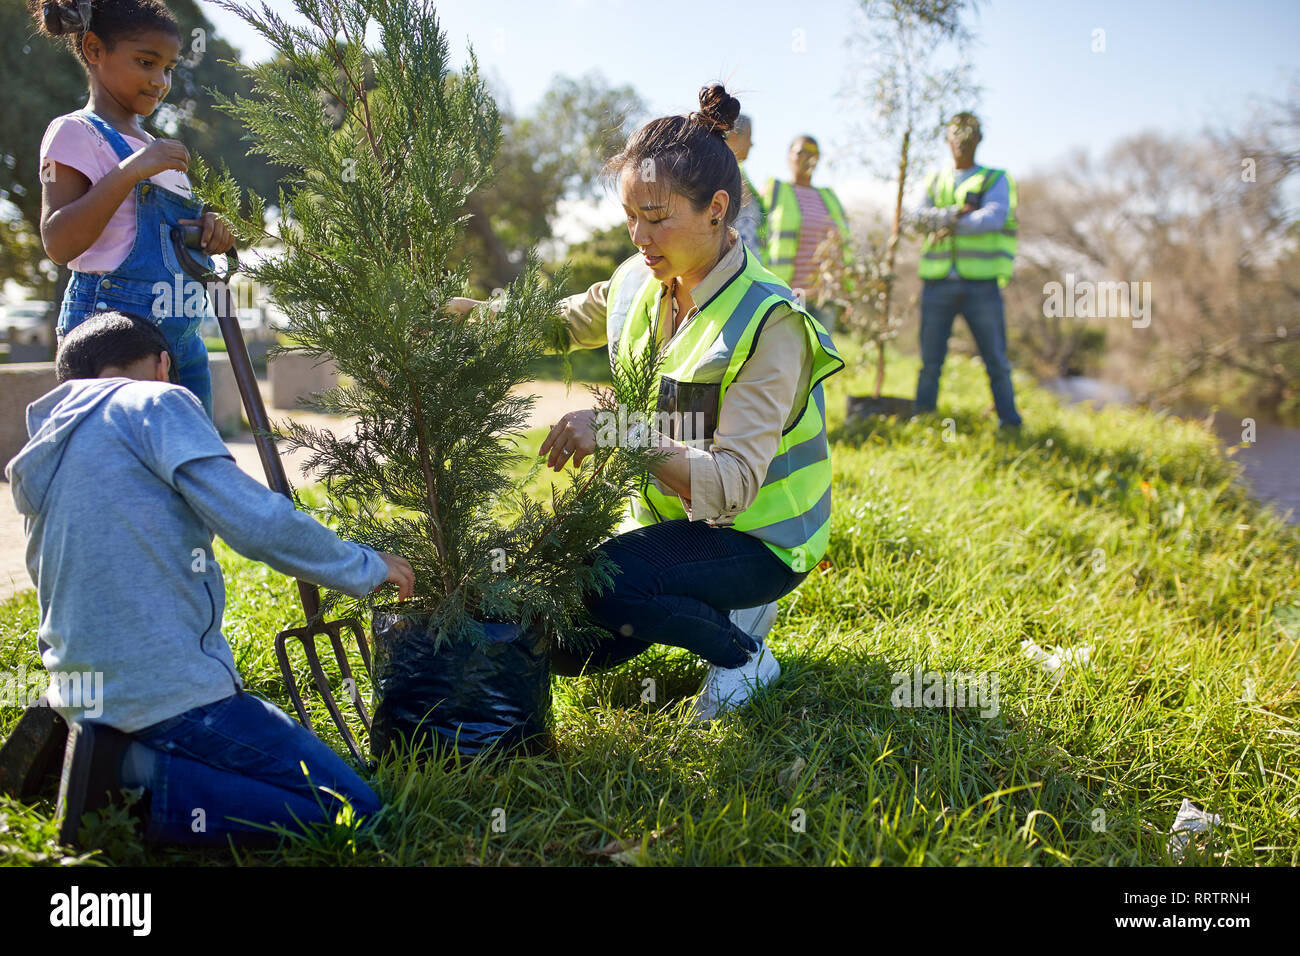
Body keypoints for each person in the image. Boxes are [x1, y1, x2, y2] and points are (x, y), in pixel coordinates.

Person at [451, 85, 844, 721]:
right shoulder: (640, 279)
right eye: (631, 216)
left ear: (717, 208)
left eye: (657, 217)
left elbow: (737, 484)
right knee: (568, 645)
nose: (640, 235)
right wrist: (461, 320)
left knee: (617, 586)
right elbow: (553, 324)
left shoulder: (769, 321)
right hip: (671, 517)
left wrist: (617, 432)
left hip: (761, 535)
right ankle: (682, 591)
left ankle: (744, 653)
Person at [4, 311, 415, 846]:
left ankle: (90, 748)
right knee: (355, 810)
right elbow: (254, 521)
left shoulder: (45, 451)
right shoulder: (155, 400)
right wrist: (366, 564)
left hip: (78, 688)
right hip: (170, 696)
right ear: (162, 364)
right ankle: (132, 780)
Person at [30, 0, 236, 420]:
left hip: (183, 338)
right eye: (146, 62)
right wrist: (129, 172)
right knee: (119, 468)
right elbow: (58, 240)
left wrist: (209, 228)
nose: (160, 81)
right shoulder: (76, 132)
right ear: (93, 49)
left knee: (190, 467)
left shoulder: (152, 148)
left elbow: (174, 240)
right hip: (114, 339)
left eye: (169, 68)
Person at [912, 112, 1022, 427]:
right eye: (955, 138)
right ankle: (924, 419)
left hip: (982, 285)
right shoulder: (934, 179)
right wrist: (956, 213)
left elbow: (993, 218)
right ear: (947, 141)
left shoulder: (995, 178)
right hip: (937, 283)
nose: (960, 145)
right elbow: (918, 217)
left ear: (978, 139)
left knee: (996, 360)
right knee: (930, 361)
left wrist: (945, 220)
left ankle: (1010, 422)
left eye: (968, 138)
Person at [761, 135, 853, 334]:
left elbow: (844, 243)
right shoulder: (775, 190)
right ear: (789, 157)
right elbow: (757, 235)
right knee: (787, 359)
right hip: (788, 294)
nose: (806, 158)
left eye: (812, 153)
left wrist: (848, 289)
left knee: (818, 361)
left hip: (825, 296)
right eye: (800, 151)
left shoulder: (829, 196)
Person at [727, 113, 766, 259]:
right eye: (749, 137)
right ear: (733, 136)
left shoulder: (740, 173)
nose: (751, 144)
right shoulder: (724, 175)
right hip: (735, 269)